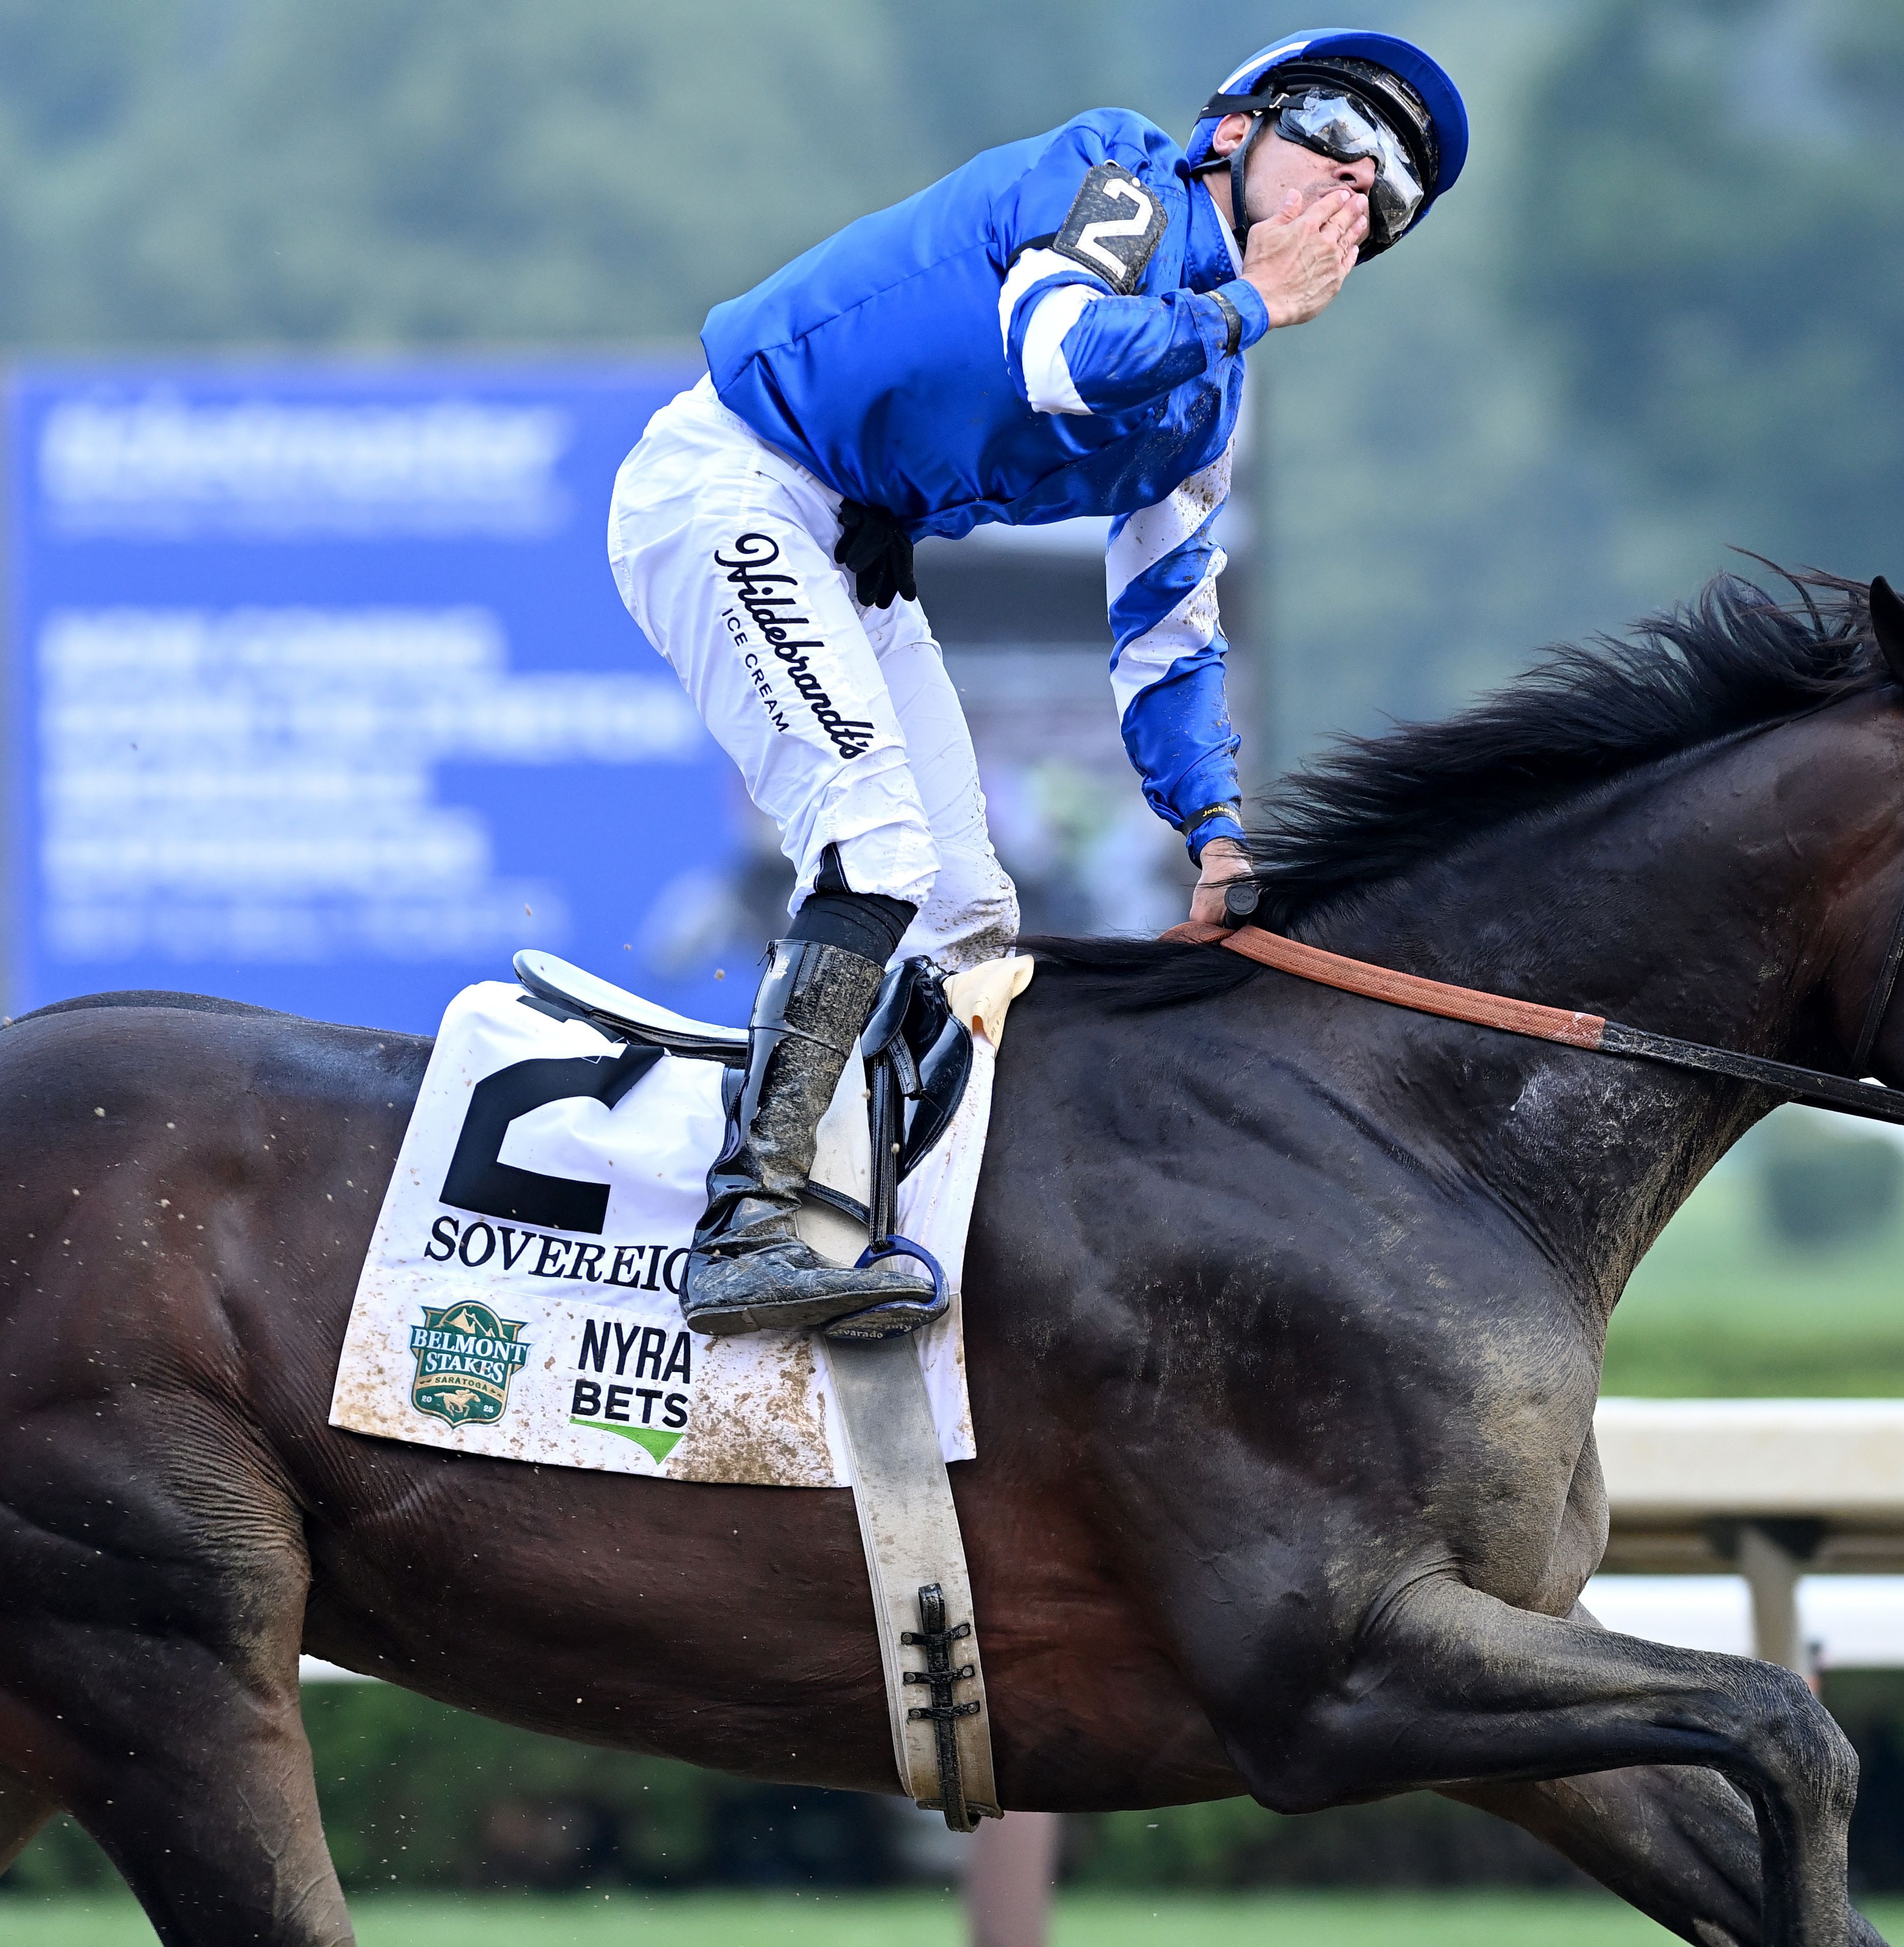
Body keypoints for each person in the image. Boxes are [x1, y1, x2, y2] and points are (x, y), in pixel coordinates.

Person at [609, 29, 1468, 1340]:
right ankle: (744, 1226)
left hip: (850, 539)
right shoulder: (1122, 172)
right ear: (1232, 131)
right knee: (880, 849)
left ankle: (894, 1223)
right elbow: (1060, 351)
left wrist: (1218, 832)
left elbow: (1172, 637)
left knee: (969, 914)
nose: (1348, 199)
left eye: (1384, 204)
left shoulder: (1204, 411)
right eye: (1339, 144)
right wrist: (1252, 303)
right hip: (730, 480)